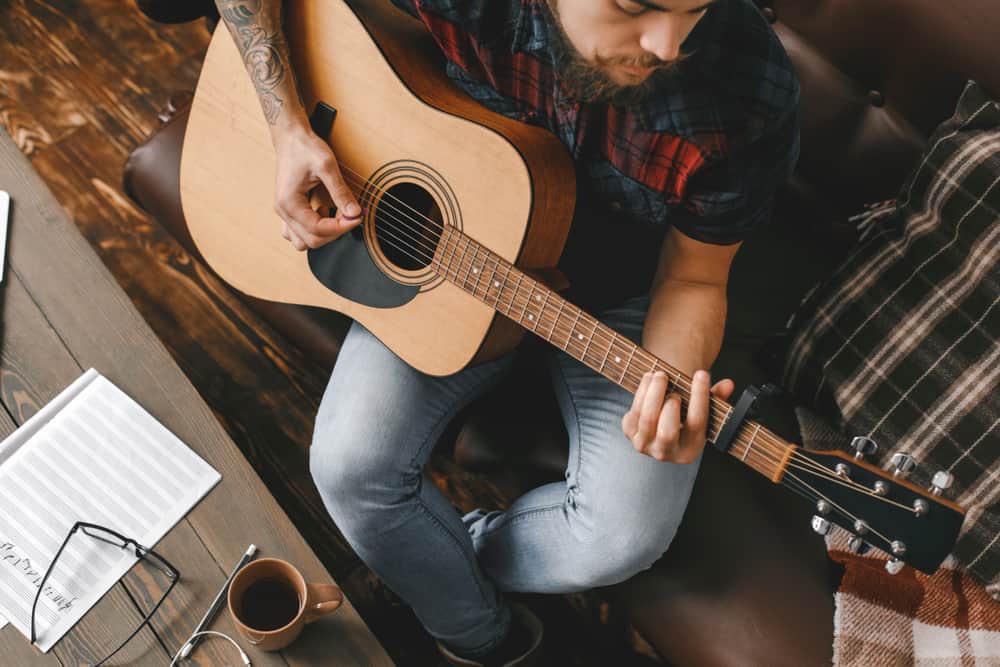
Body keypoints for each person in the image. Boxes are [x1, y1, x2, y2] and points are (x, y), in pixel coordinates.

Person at [216, 0, 800, 664]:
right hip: (458, 246)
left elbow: (695, 278)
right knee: (350, 468)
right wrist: (287, 125)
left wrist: (663, 384)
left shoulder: (749, 88)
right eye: (635, 6)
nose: (668, 45)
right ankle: (485, 639)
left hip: (624, 290)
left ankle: (431, 570)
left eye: (693, 9)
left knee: (623, 534)